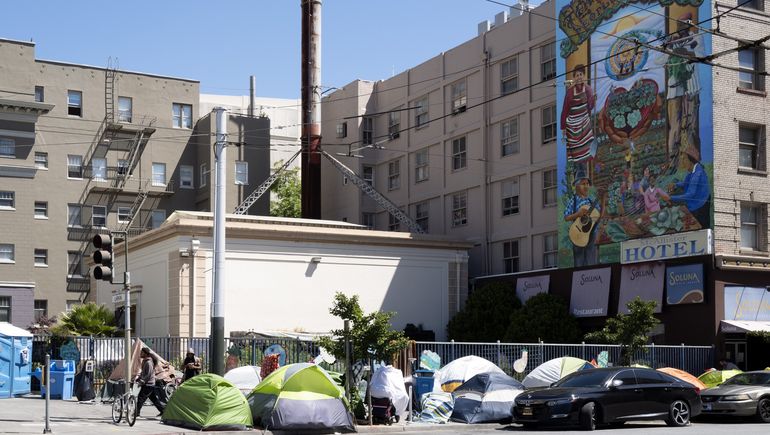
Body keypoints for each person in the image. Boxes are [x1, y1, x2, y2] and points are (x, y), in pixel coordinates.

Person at [564, 171, 606, 267]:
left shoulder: (591, 200)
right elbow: (566, 217)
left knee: (591, 261)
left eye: (587, 184)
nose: (586, 186)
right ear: (577, 185)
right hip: (578, 233)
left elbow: (600, 216)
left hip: (591, 234)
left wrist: (603, 199)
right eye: (583, 184)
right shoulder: (573, 201)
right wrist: (578, 214)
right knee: (579, 262)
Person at [561, 64, 597, 170]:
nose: (579, 77)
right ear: (574, 77)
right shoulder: (570, 92)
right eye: (577, 75)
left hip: (584, 122)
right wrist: (563, 127)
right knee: (576, 154)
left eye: (581, 74)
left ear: (584, 76)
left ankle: (585, 170)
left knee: (587, 149)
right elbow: (565, 110)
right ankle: (578, 173)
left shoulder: (588, 89)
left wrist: (593, 100)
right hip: (572, 125)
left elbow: (590, 107)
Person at [668, 145, 710, 228]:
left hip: (699, 208)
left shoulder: (697, 174)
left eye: (684, 159)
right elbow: (685, 183)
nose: (682, 161)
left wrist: (671, 198)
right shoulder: (691, 172)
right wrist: (675, 184)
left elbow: (690, 195)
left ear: (691, 161)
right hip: (694, 206)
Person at [134, 347, 166, 417]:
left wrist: (142, 381)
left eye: (142, 353)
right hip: (149, 384)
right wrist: (138, 378)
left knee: (140, 398)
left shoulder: (148, 362)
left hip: (148, 384)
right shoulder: (145, 361)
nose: (140, 354)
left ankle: (137, 413)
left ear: (145, 354)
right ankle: (163, 411)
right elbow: (143, 372)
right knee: (154, 399)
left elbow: (148, 374)